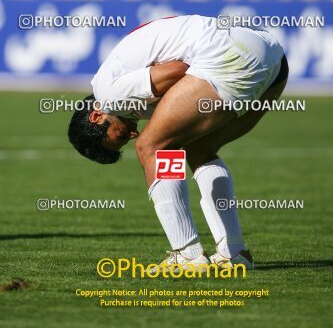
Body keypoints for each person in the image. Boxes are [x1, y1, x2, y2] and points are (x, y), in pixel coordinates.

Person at [68, 15, 289, 271]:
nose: (132, 135)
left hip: (231, 53)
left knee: (152, 147)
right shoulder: (119, 87)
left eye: (119, 136)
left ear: (97, 116)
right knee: (200, 149)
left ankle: (187, 255)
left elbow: (178, 71)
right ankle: (235, 252)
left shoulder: (109, 96)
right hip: (272, 58)